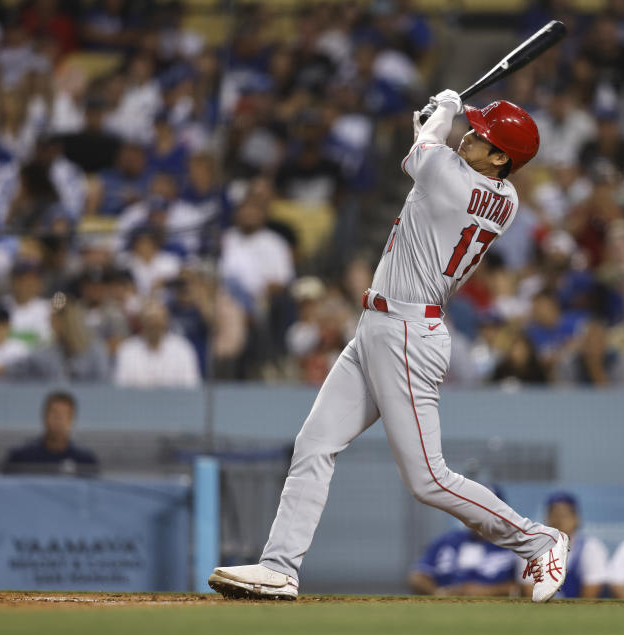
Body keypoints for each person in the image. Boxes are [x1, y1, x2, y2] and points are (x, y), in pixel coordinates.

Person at [208, 91, 570, 603]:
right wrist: (436, 126)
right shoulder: (502, 199)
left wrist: (442, 112)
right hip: (379, 327)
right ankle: (280, 567)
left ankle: (538, 540)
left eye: (482, 136)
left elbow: (423, 156)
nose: (471, 133)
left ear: (500, 160)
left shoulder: (453, 175)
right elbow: (429, 154)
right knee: (314, 444)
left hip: (407, 333)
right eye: (472, 128)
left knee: (428, 480)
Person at [408, 486, 518, 597]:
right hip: (444, 608)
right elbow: (417, 577)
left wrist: (487, 591)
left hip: (490, 610)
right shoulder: (448, 540)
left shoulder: (514, 546)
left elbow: (525, 587)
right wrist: (438, 593)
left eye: (487, 509)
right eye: (475, 507)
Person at [517, 491, 609, 599]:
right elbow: (530, 590)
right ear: (546, 519)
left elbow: (591, 592)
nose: (559, 520)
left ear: (576, 519)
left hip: (580, 613)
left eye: (564, 515)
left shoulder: (591, 548)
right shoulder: (532, 548)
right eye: (554, 515)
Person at [2, 390, 99, 475]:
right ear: (44, 416)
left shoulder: (85, 461)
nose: (59, 419)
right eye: (54, 413)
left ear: (72, 420)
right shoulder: (21, 457)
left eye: (64, 415)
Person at [113, 301, 200, 388]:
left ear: (166, 322)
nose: (154, 325)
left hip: (174, 401)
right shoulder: (127, 350)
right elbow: (121, 389)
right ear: (142, 322)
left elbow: (191, 387)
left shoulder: (182, 349)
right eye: (150, 320)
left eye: (158, 321)